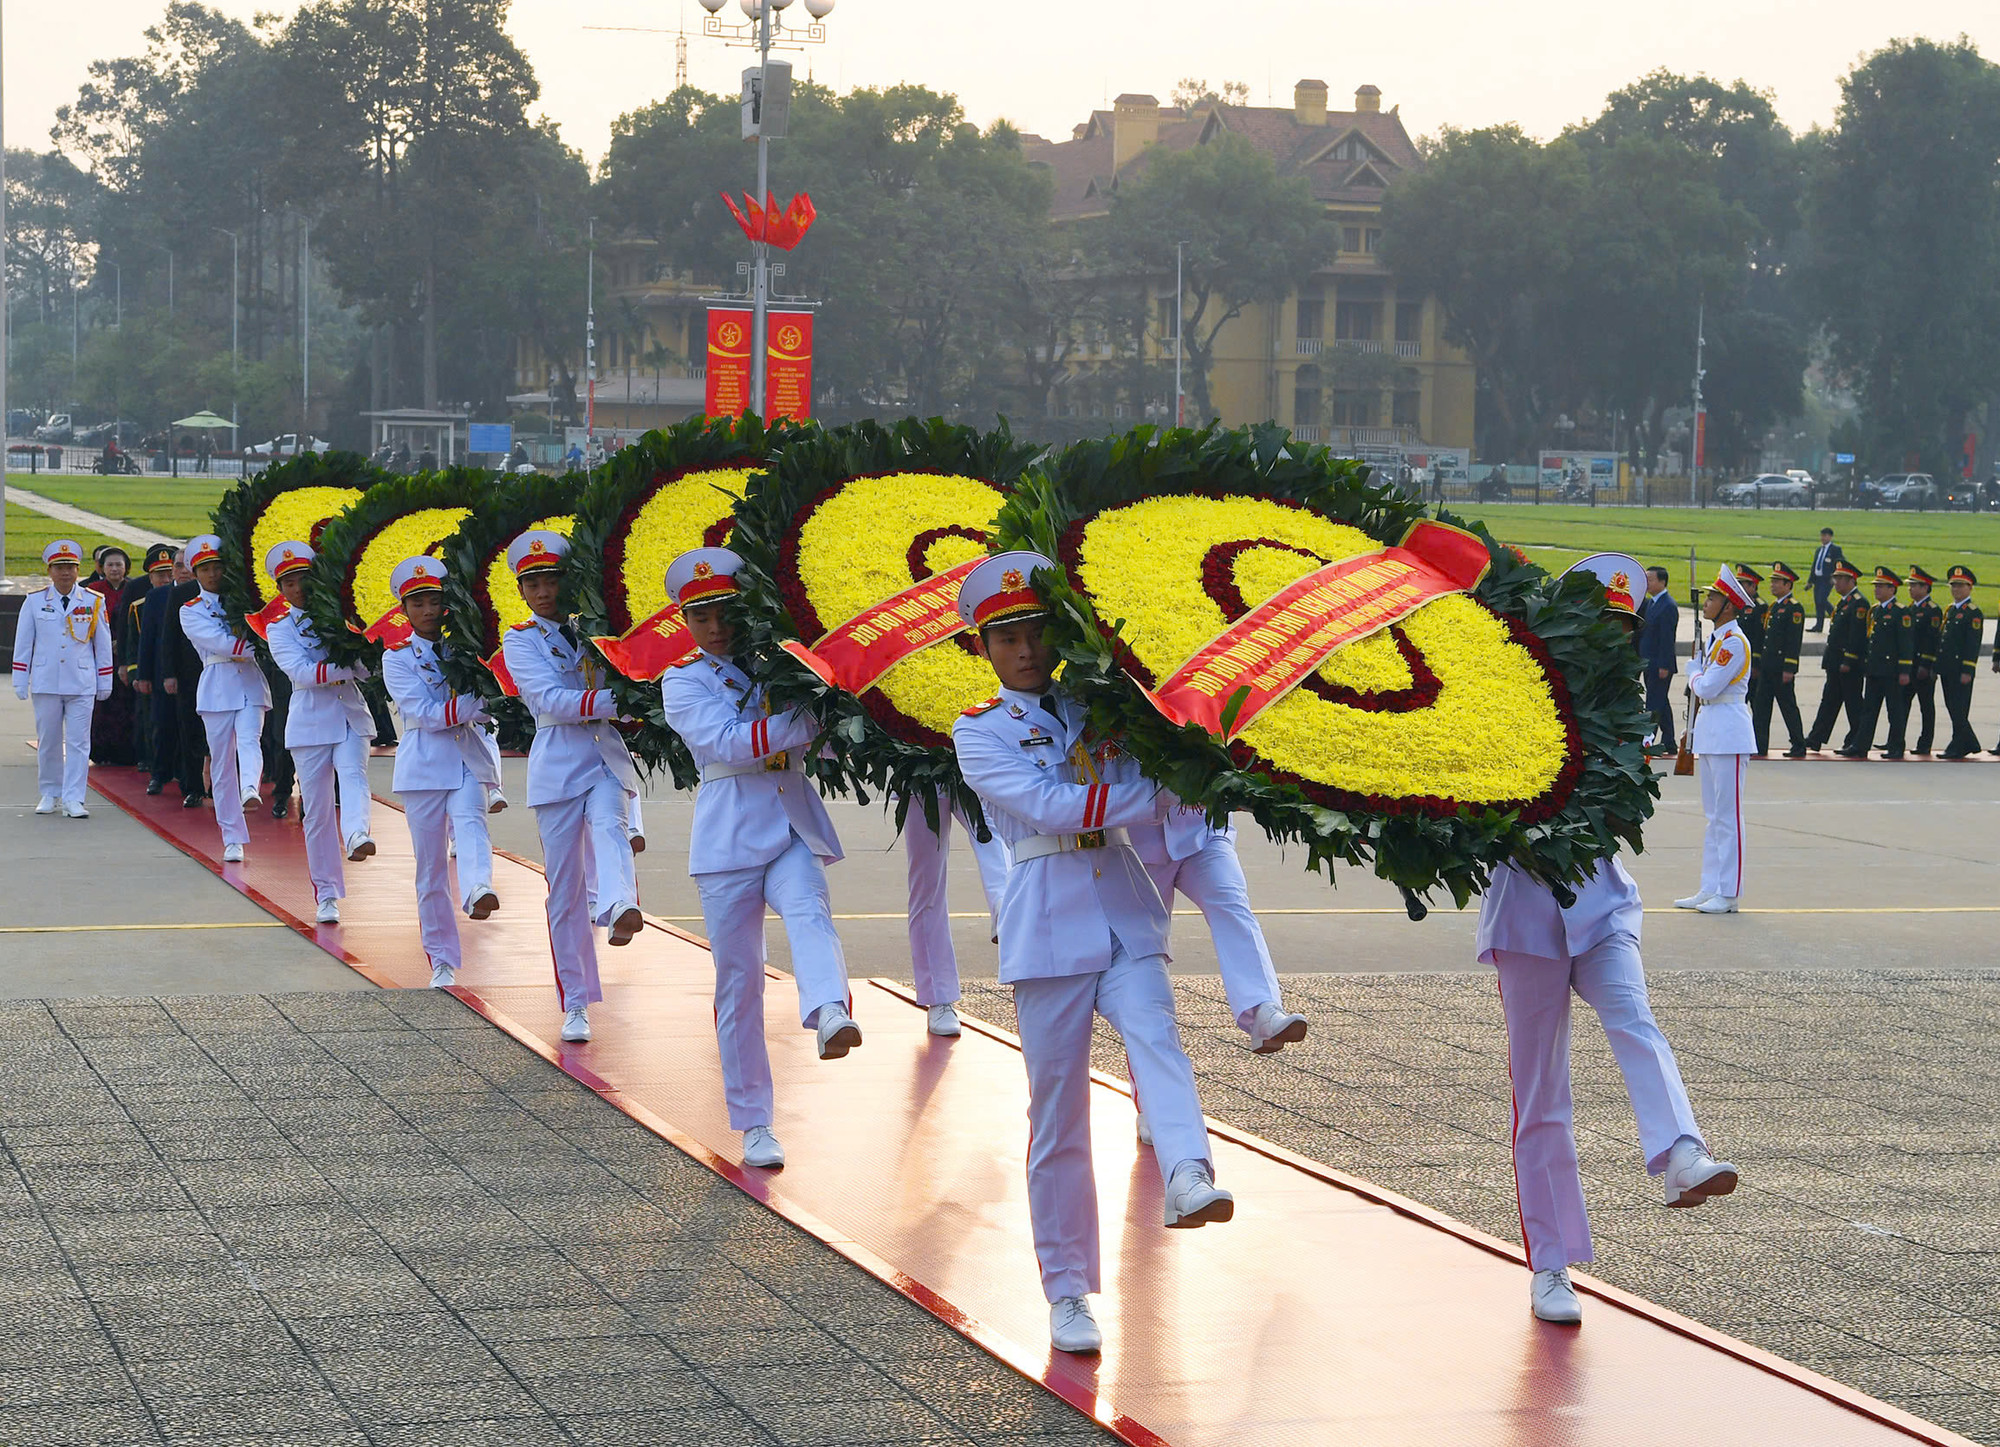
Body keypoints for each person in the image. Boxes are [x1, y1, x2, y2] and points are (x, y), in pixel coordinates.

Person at [952, 551, 1233, 1357]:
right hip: (1046, 924)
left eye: (1035, 630)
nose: (1026, 649)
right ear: (983, 648)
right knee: (1058, 1115)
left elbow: (1157, 760)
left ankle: (1187, 1170)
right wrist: (1160, 787)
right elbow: (1050, 804)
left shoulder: (1103, 704)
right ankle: (1067, 1288)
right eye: (1006, 637)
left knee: (1159, 1036)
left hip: (1122, 905)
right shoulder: (978, 731)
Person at [1479, 552, 1738, 1326]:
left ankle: (1680, 1154)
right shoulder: (1509, 696)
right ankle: (1551, 1264)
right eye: (1602, 623)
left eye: (1623, 628)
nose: (1614, 640)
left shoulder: (1622, 707)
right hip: (1527, 919)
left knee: (1635, 1017)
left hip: (1600, 905)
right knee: (1541, 1098)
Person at [658, 546, 864, 1170]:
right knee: (739, 983)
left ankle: (829, 1010)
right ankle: (753, 1122)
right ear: (685, 622)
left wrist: (836, 713)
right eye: (702, 617)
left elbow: (825, 745)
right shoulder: (683, 678)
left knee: (810, 910)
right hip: (727, 839)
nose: (717, 628)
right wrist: (804, 722)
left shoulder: (782, 665)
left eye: (725, 612)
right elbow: (724, 742)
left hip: (790, 820)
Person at [500, 530, 644, 1043]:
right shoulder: (518, 639)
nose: (544, 591)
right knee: (563, 892)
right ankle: (576, 1001)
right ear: (521, 590)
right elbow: (551, 700)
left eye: (553, 579)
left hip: (603, 755)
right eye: (533, 582)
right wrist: (623, 702)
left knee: (611, 824)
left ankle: (620, 903)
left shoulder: (596, 628)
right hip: (558, 765)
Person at [381, 556, 501, 988]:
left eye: (434, 600)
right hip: (423, 766)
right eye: (418, 604)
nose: (428, 610)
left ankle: (477, 888)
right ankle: (442, 958)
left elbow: (493, 696)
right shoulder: (396, 658)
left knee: (472, 822)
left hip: (466, 754)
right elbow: (424, 713)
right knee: (430, 869)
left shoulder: (466, 647)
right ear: (405, 611)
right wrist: (472, 705)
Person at [1129, 802, 1308, 1075]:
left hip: (1203, 832)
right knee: (1145, 961)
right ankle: (1150, 1103)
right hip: (1136, 846)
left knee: (1232, 904)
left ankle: (1262, 1010)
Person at [263, 542, 378, 925]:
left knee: (354, 775)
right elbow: (301, 673)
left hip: (348, 713)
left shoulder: (341, 617)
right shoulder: (279, 629)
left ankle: (358, 834)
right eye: (290, 583)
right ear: (281, 590)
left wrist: (357, 653)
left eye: (304, 580)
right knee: (317, 812)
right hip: (310, 722)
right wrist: (344, 666)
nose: (299, 588)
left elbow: (366, 667)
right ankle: (327, 892)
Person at [176, 534, 270, 863]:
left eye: (217, 567)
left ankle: (250, 788)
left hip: (250, 682)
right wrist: (259, 644)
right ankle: (232, 835)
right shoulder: (190, 610)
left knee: (250, 738)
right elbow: (221, 643)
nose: (213, 574)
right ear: (195, 573)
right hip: (217, 684)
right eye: (205, 569)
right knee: (221, 763)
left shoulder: (243, 602)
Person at [11, 539, 114, 818]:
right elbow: (23, 643)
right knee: (49, 739)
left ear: (77, 570)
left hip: (81, 681)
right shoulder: (34, 601)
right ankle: (50, 791)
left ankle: (74, 798)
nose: (65, 573)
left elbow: (102, 645)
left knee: (80, 742)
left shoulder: (93, 601)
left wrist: (105, 680)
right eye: (59, 567)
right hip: (47, 681)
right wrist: (20, 678)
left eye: (70, 567)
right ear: (50, 571)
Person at [1675, 567, 1755, 913]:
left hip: (1729, 731)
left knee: (1728, 816)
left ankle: (1729, 892)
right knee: (1713, 816)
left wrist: (1693, 671)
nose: (1706, 603)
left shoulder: (1734, 643)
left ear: (1729, 607)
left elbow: (1707, 686)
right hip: (1710, 728)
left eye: (1713, 598)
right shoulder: (1717, 641)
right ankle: (1710, 886)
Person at [901, 790, 1009, 1038]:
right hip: (918, 770)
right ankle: (939, 997)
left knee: (995, 840)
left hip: (972, 767)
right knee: (927, 882)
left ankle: (1007, 916)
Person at [1841, 566, 1913, 760]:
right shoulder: (1876, 611)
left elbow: (1905, 645)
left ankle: (1896, 746)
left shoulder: (1900, 612)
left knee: (1895, 711)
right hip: (1874, 670)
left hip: (1892, 671)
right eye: (1876, 586)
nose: (1877, 590)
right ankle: (1860, 745)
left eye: (1881, 586)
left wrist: (1905, 670)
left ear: (1892, 589)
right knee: (1868, 711)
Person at [125, 544, 178, 787]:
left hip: (181, 672)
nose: (165, 579)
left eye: (169, 573)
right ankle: (158, 772)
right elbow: (140, 642)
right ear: (150, 577)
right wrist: (138, 672)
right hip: (156, 674)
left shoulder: (185, 597)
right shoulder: (144, 604)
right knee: (157, 725)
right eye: (160, 575)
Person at [84, 547, 139, 767]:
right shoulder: (92, 590)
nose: (115, 569)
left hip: (127, 655)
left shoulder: (135, 589)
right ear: (101, 568)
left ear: (126, 567)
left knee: (128, 704)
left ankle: (129, 752)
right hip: (99, 656)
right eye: (110, 565)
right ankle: (101, 750)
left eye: (119, 564)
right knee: (102, 705)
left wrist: (123, 645)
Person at [1805, 559, 1867, 752]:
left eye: (1840, 579)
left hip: (1848, 663)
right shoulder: (1845, 601)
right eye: (1835, 578)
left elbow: (1856, 636)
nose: (1835, 583)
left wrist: (1849, 659)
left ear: (1851, 580)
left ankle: (1857, 740)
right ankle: (1816, 738)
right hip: (1835, 662)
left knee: (1853, 703)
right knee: (1829, 701)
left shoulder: (1859, 603)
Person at [1752, 561, 1807, 758]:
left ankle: (1799, 744)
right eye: (1772, 581)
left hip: (1782, 668)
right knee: (1761, 707)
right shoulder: (1775, 607)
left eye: (1777, 582)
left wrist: (1790, 668)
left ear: (1788, 585)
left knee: (1788, 707)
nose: (1772, 585)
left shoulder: (1794, 608)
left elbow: (1793, 641)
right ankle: (1759, 744)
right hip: (1768, 666)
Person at [1938, 567, 1985, 759]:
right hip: (1948, 668)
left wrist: (1968, 669)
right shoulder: (1951, 610)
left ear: (1969, 588)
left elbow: (1972, 645)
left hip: (1961, 669)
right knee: (1952, 706)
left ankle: (1961, 743)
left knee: (1959, 708)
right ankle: (1968, 742)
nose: (1955, 590)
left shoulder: (1972, 613)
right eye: (1953, 585)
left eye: (1960, 586)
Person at [1637, 567, 1678, 755]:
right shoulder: (1651, 603)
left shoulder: (1668, 605)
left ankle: (1649, 739)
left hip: (1659, 664)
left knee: (1653, 703)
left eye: (1650, 580)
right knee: (1661, 701)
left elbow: (1667, 639)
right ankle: (1669, 741)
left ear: (1662, 582)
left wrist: (1664, 665)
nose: (1648, 584)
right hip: (1649, 662)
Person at [1905, 566, 1943, 754]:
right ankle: (1895, 739)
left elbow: (1932, 640)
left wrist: (1927, 665)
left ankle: (1925, 742)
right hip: (1909, 665)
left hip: (1923, 667)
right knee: (1901, 705)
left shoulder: (1932, 611)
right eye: (1910, 585)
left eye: (1914, 585)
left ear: (1925, 587)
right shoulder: (1910, 608)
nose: (1910, 589)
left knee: (1926, 706)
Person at [1807, 527, 1844, 632]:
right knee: (1818, 602)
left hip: (1827, 580)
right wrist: (1810, 581)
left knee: (1822, 600)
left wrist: (1835, 576)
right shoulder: (1819, 549)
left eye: (1825, 536)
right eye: (1822, 535)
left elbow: (1840, 563)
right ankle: (1819, 626)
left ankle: (1836, 616)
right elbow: (1814, 566)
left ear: (1830, 537)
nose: (1823, 538)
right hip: (1817, 579)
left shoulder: (1835, 550)